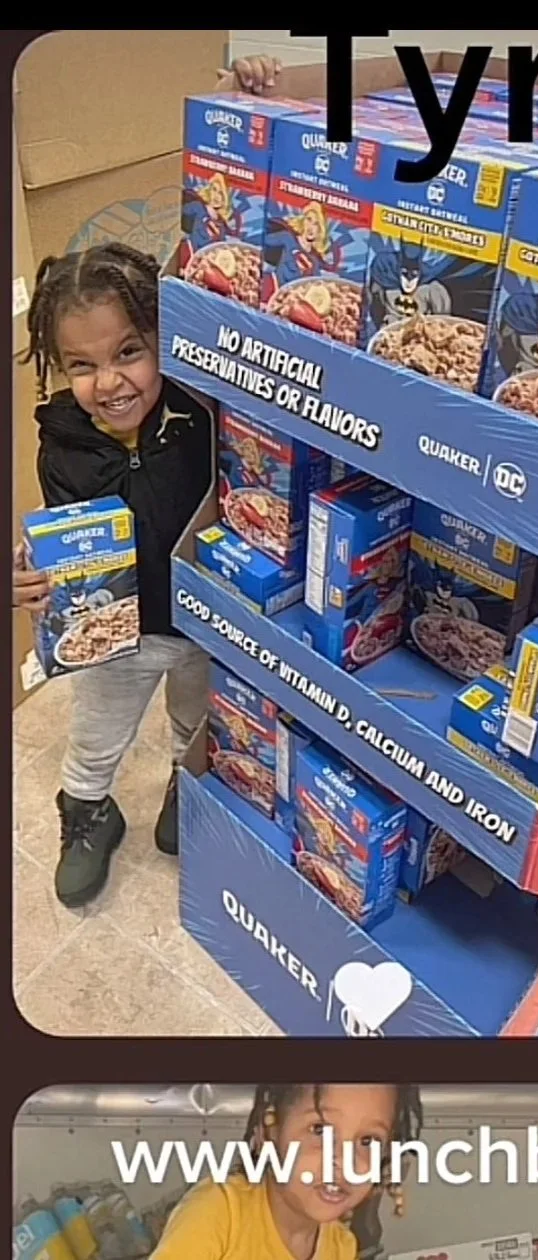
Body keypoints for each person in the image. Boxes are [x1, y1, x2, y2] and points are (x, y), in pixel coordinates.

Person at [12, 54, 283, 909]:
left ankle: (182, 787)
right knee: (95, 736)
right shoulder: (60, 440)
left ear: (166, 341)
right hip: (118, 636)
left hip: (204, 616)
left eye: (130, 351)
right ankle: (86, 812)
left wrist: (247, 112)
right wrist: (35, 581)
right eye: (85, 365)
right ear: (58, 370)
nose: (113, 380)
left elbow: (222, 239)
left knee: (194, 722)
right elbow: (61, 548)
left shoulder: (199, 410)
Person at [152, 1084, 423, 1260]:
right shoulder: (219, 1210)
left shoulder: (341, 1247)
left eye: (368, 1141)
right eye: (320, 1130)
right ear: (270, 1131)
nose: (344, 1160)